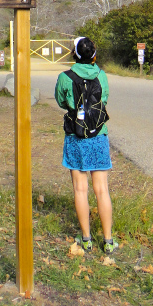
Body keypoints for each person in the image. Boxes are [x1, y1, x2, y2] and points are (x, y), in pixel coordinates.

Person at [54, 36, 119, 254]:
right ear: (94, 55)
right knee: (102, 190)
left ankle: (86, 239)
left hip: (76, 135)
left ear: (74, 54)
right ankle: (108, 241)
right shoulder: (101, 75)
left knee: (80, 189)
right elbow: (105, 99)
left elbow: (61, 101)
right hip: (99, 135)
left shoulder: (65, 77)